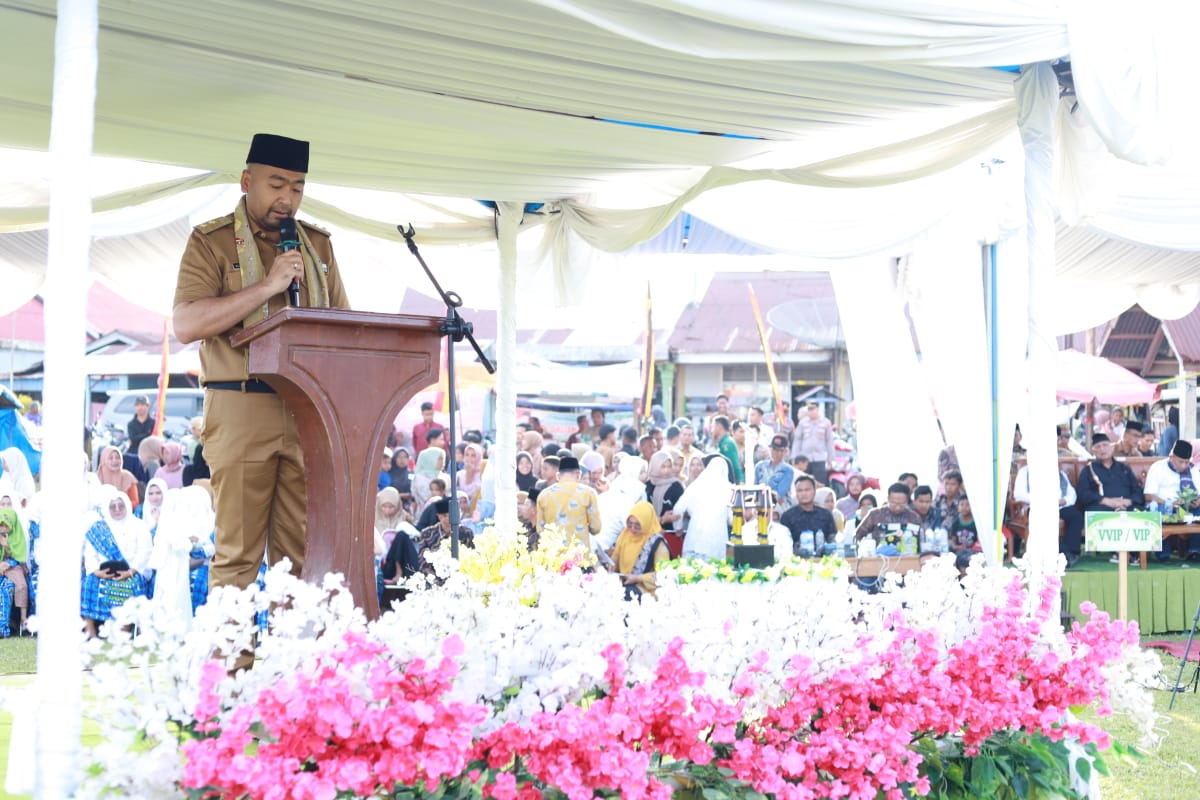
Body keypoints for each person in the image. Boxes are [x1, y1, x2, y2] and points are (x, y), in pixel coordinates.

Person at [172, 133, 351, 595]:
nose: (287, 197)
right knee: (238, 557)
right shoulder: (211, 242)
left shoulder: (316, 246)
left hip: (307, 410)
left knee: (300, 559)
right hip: (241, 405)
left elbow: (344, 330)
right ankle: (229, 648)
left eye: (297, 187)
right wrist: (269, 287)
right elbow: (187, 323)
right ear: (246, 181)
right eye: (276, 184)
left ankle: (288, 646)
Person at [80, 488, 153, 638]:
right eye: (113, 506)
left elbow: (145, 552)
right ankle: (90, 631)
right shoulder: (99, 527)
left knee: (128, 586)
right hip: (103, 572)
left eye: (121, 506)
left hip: (131, 571)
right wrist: (97, 571)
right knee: (89, 583)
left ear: (127, 505)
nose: (117, 509)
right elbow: (90, 553)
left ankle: (123, 631)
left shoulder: (139, 525)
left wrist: (130, 571)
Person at [1013, 462, 1083, 568]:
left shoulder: (1060, 473)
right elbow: (1019, 495)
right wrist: (1044, 501)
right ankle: (1063, 553)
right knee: (1045, 519)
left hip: (1059, 506)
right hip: (1038, 507)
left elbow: (1072, 494)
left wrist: (1064, 501)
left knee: (1076, 516)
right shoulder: (1025, 472)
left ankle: (1072, 553)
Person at [1143, 440, 1200, 561]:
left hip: (1186, 507)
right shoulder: (1158, 467)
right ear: (1172, 457)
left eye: (1186, 462)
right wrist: (1169, 503)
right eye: (1181, 462)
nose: (1184, 466)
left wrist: (1197, 501)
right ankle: (1163, 555)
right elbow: (1148, 496)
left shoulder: (1192, 469)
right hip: (1163, 505)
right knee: (1157, 512)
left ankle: (1195, 551)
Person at [674, 455, 733, 560]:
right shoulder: (729, 489)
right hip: (717, 542)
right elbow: (732, 519)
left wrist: (678, 528)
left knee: (690, 569)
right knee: (715, 569)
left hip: (694, 540)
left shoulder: (695, 485)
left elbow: (678, 508)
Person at [536, 456, 602, 548]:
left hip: (553, 553)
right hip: (579, 554)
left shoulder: (544, 495)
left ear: (558, 476)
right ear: (578, 474)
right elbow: (596, 528)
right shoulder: (588, 493)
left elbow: (540, 530)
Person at [610, 501, 671, 599]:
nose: (633, 528)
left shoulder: (658, 543)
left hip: (646, 590)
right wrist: (612, 565)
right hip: (625, 583)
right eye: (630, 524)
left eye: (638, 525)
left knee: (625, 595)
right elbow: (616, 556)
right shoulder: (625, 534)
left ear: (646, 522)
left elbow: (664, 575)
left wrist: (638, 578)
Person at [1075, 434, 1145, 515]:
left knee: (1142, 511)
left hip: (1127, 506)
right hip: (1101, 507)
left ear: (1112, 448)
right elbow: (1083, 494)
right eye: (1098, 447)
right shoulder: (1088, 469)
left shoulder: (1124, 468)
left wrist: (1128, 501)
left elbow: (1137, 490)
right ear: (1093, 452)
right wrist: (1106, 501)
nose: (1102, 449)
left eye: (1105, 445)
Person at [779, 474, 837, 556]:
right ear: (796, 493)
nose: (804, 493)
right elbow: (784, 544)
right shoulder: (787, 516)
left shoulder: (825, 515)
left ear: (814, 491)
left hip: (823, 559)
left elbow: (832, 539)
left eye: (807, 490)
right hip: (796, 560)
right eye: (800, 491)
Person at [854, 483, 921, 544]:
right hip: (879, 552)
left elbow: (921, 540)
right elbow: (857, 535)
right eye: (894, 503)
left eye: (902, 504)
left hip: (908, 552)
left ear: (907, 501)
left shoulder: (914, 517)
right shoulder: (875, 514)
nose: (897, 508)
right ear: (888, 499)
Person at [0, 509, 30, 636]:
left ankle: (4, 628)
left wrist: (6, 547)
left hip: (13, 568)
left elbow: (19, 557)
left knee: (7, 588)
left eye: (6, 525)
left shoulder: (18, 536)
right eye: (1, 525)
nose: (3, 528)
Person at [790, 401, 835, 484]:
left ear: (817, 409)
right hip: (805, 458)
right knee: (804, 481)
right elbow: (797, 440)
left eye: (812, 409)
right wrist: (794, 457)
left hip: (820, 457)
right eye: (809, 409)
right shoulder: (803, 423)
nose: (810, 411)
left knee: (819, 482)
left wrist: (830, 459)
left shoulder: (825, 423)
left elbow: (829, 441)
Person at [646, 451, 685, 532]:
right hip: (648, 531)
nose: (666, 470)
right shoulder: (648, 485)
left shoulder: (676, 486)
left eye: (669, 466)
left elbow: (680, 511)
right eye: (662, 467)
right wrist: (661, 519)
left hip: (669, 532)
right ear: (655, 466)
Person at [754, 435, 795, 510]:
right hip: (760, 504)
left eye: (780, 450)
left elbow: (780, 494)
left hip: (780, 506)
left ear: (785, 451)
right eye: (774, 449)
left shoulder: (787, 470)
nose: (776, 453)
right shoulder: (760, 466)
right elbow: (755, 489)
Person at [710, 416, 744, 483]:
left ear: (719, 427)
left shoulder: (727, 443)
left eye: (713, 427)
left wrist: (739, 480)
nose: (711, 430)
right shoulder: (722, 442)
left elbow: (733, 464)